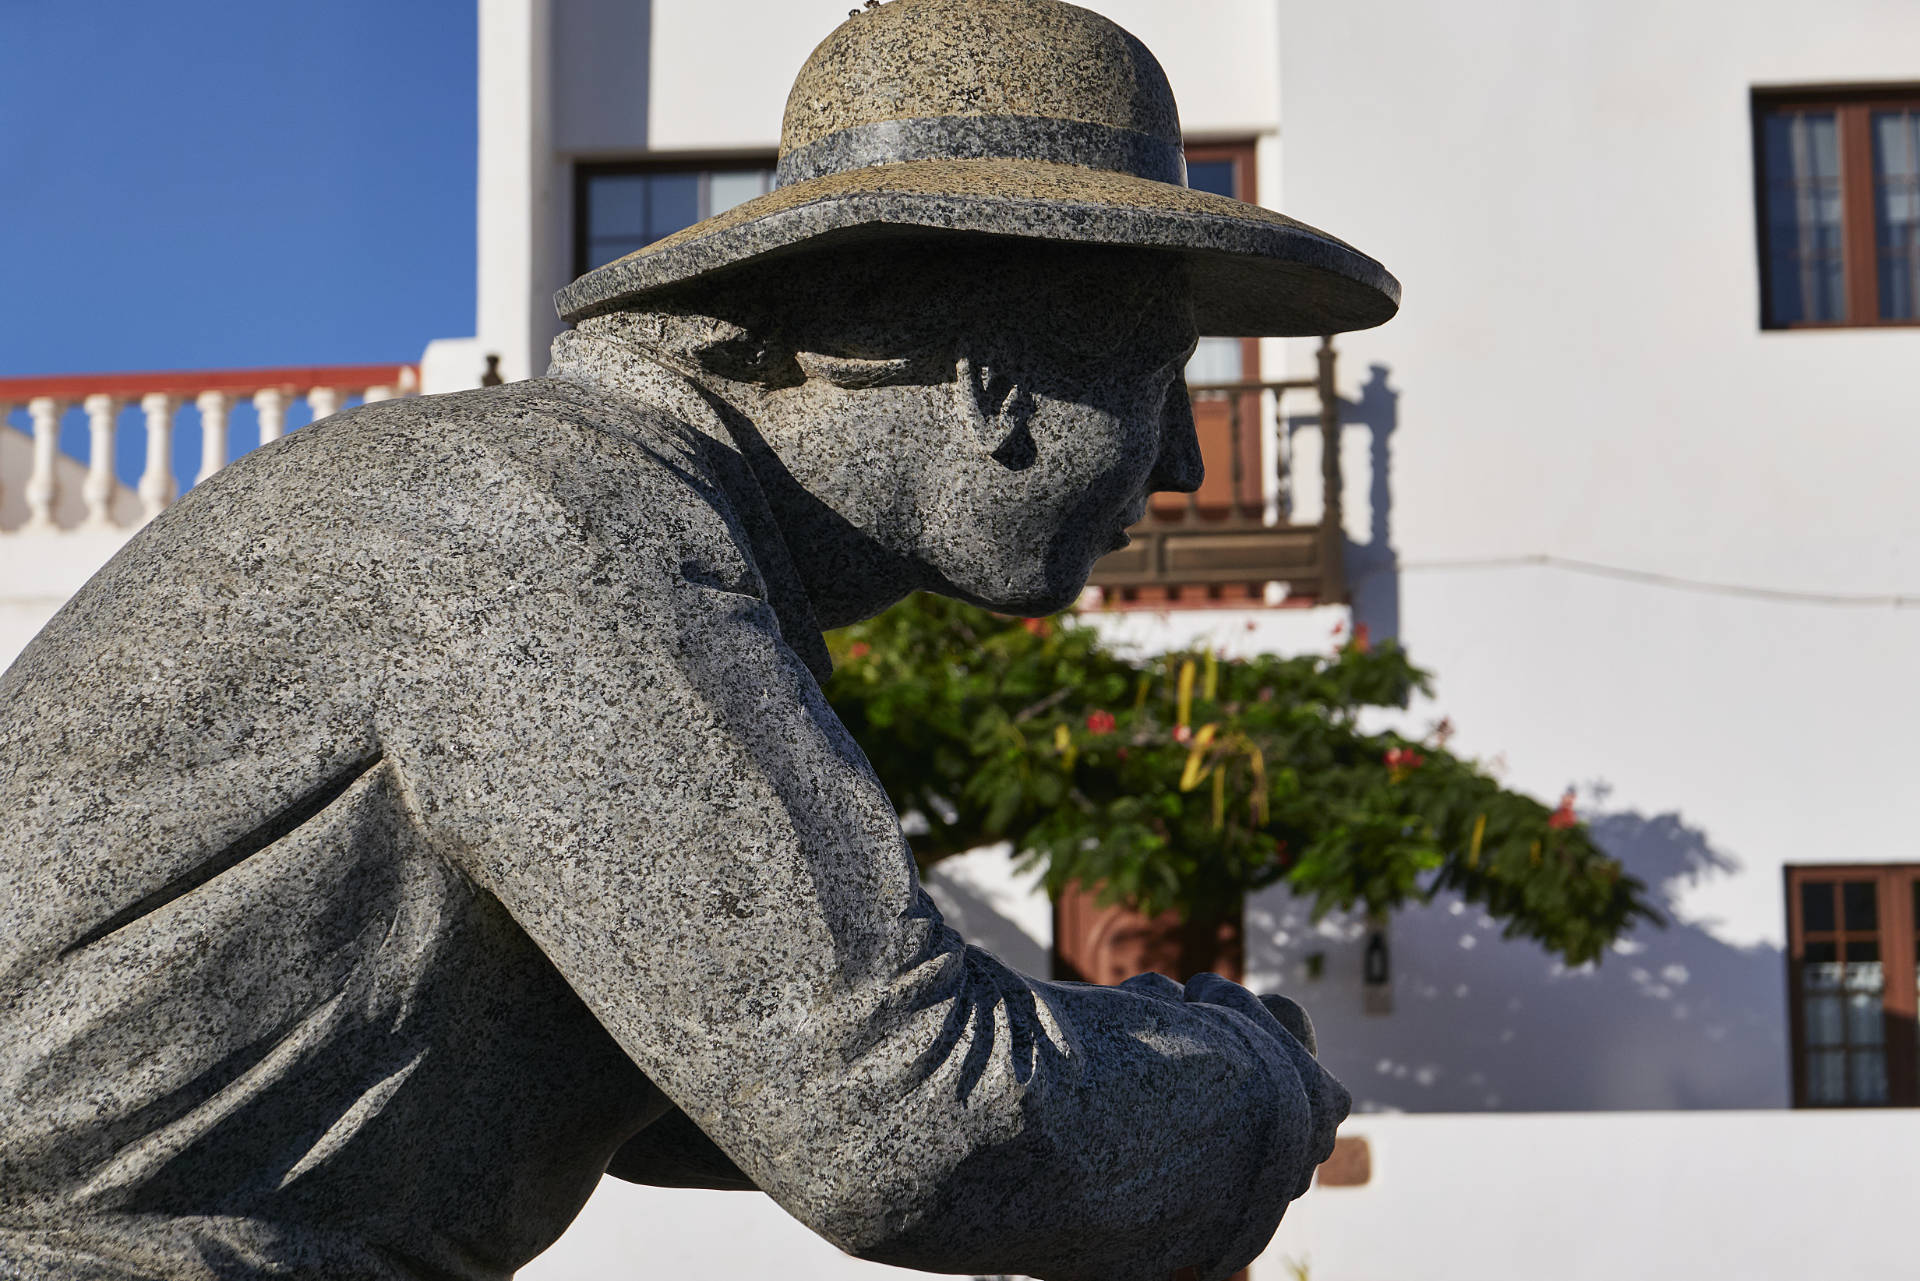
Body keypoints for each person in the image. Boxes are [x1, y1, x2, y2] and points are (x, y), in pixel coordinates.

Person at [0, 2, 1397, 1279]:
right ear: (998, 372)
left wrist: (1138, 1067)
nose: (1182, 468)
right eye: (1164, 384)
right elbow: (897, 1114)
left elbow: (712, 1059)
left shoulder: (621, 537)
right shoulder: (562, 525)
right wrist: (1247, 1087)